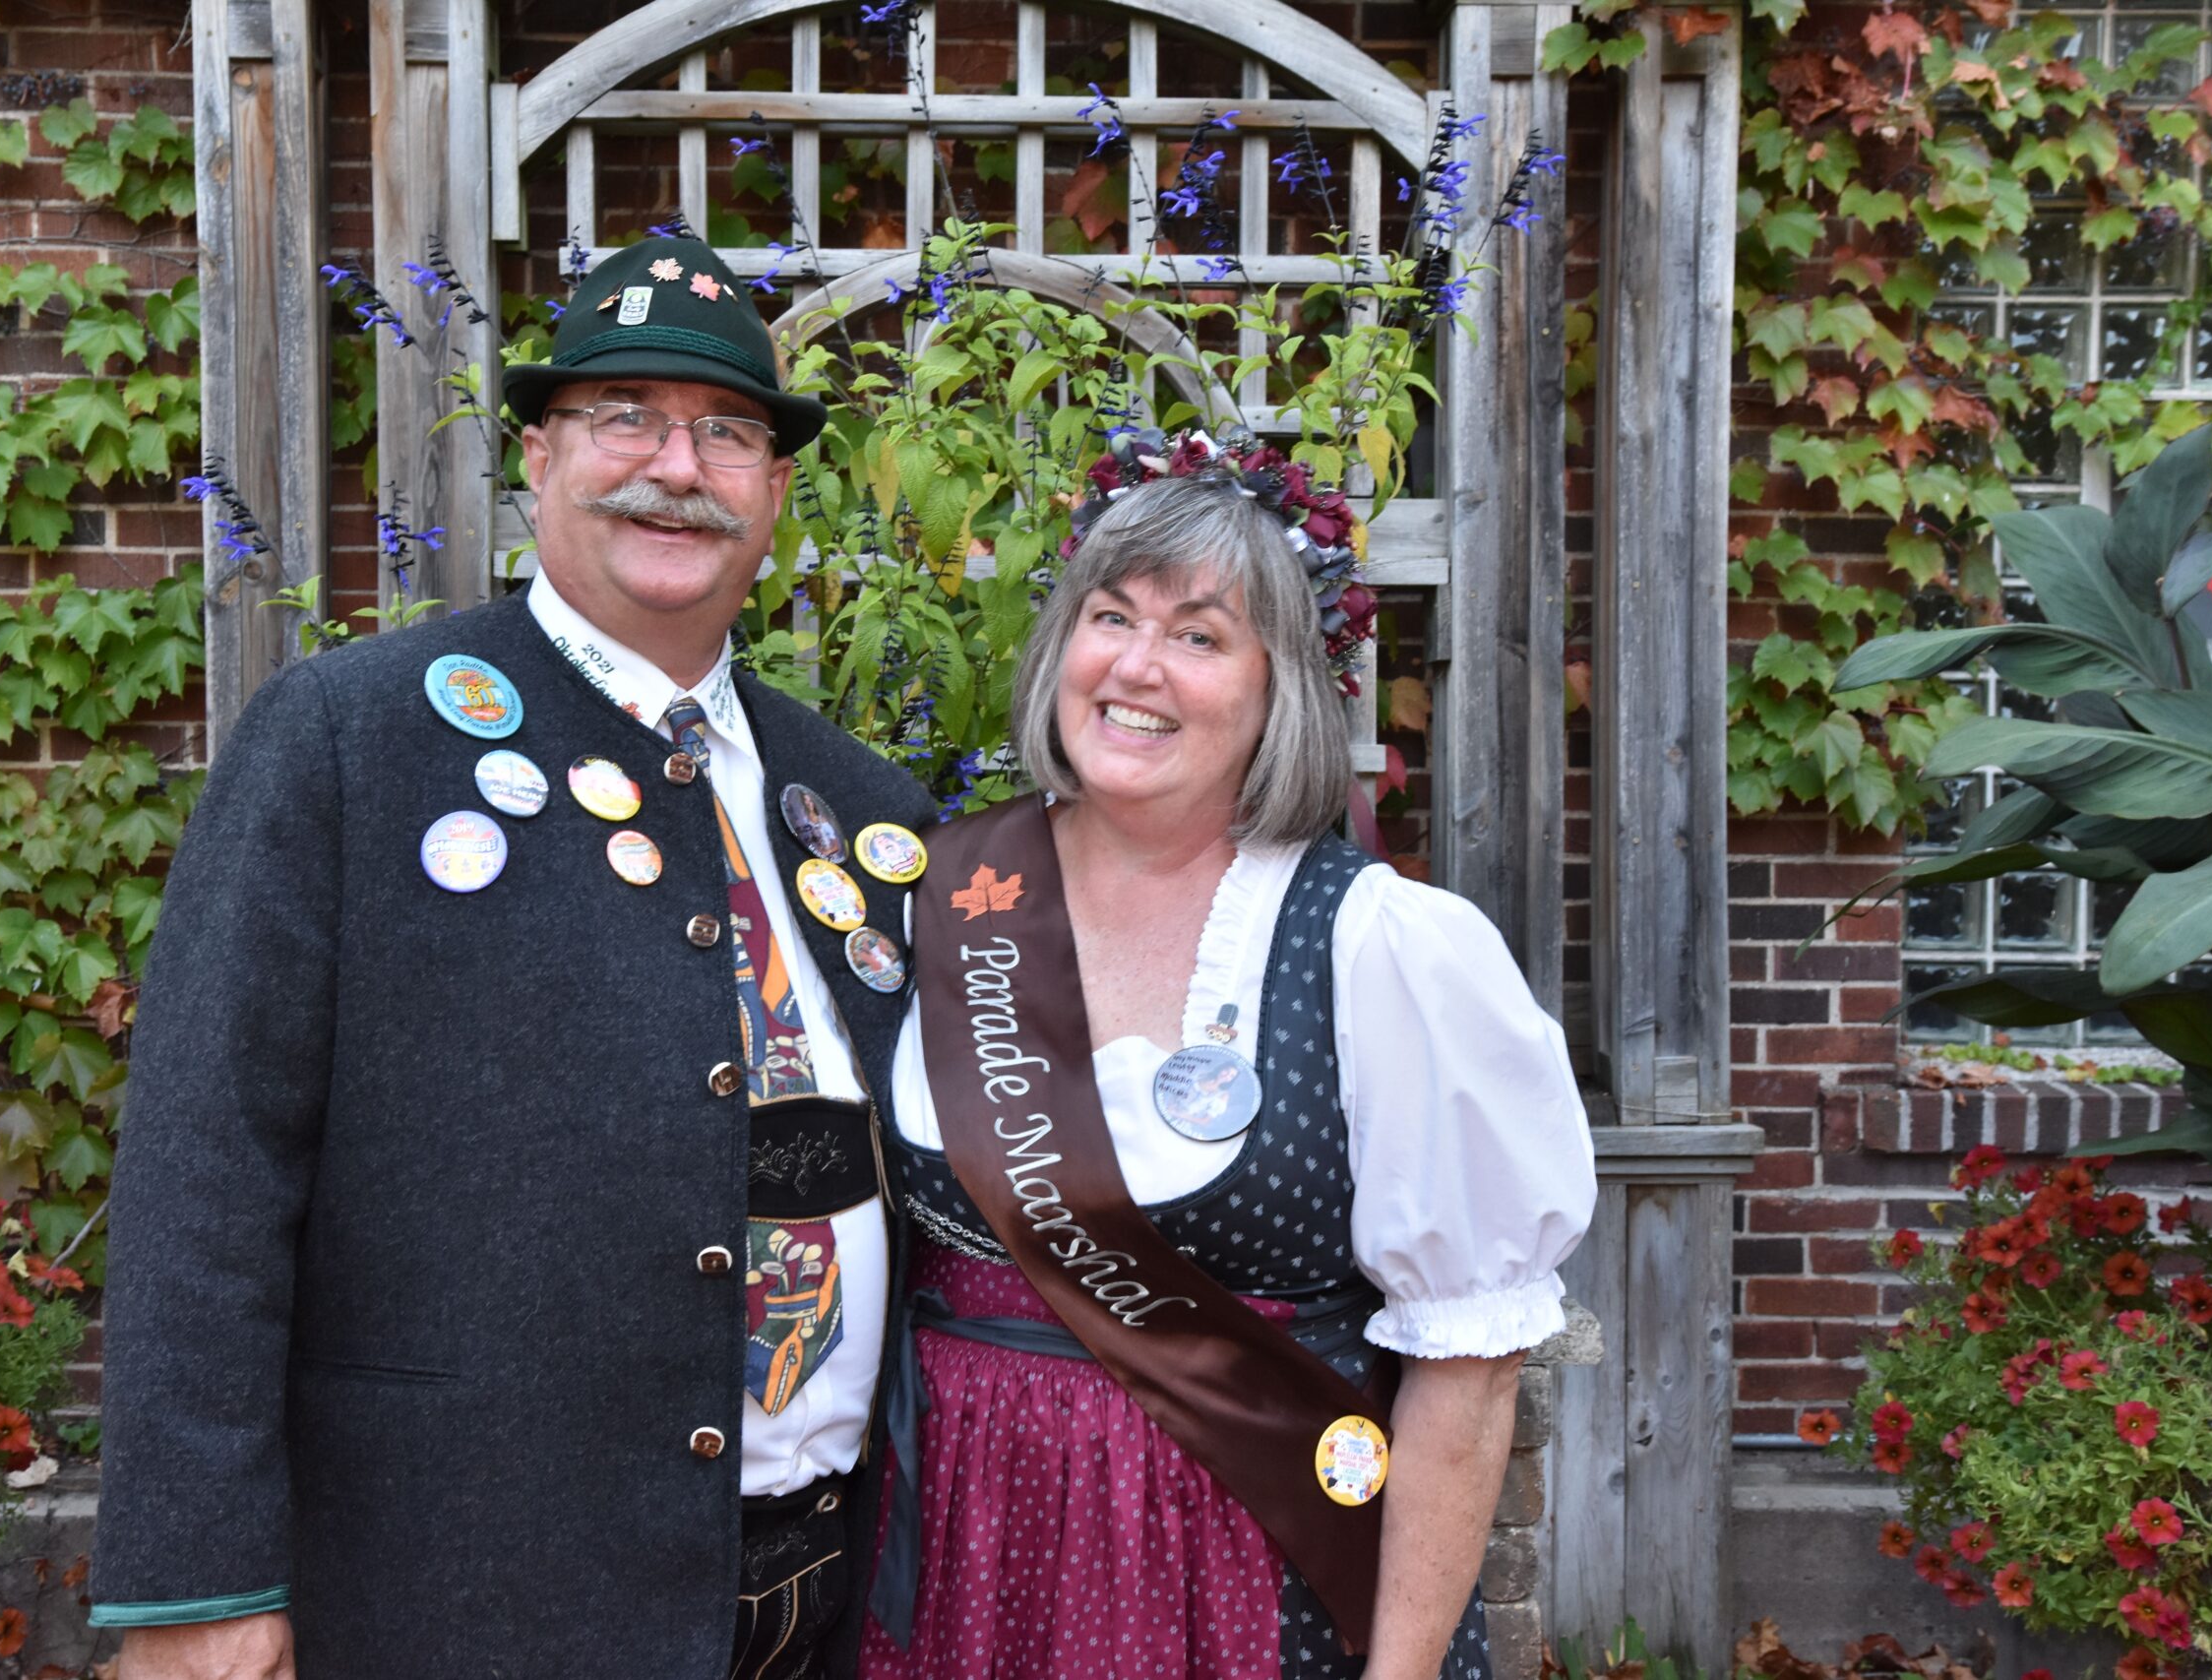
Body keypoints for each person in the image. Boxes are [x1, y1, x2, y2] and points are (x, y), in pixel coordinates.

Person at [88, 235, 936, 1680]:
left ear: (776, 491)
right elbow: (205, 1170)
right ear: (538, 454)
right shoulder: (353, 740)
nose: (679, 464)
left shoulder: (860, 805)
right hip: (464, 1583)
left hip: (809, 1584)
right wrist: (194, 1580)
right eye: (627, 417)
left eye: (727, 433)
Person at [860, 466, 1598, 1680]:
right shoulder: (941, 894)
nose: (1137, 668)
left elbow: (1468, 1377)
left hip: (1249, 1570)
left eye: (1198, 635)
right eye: (1113, 617)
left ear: (1281, 690)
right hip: (958, 1547)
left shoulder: (1377, 945)